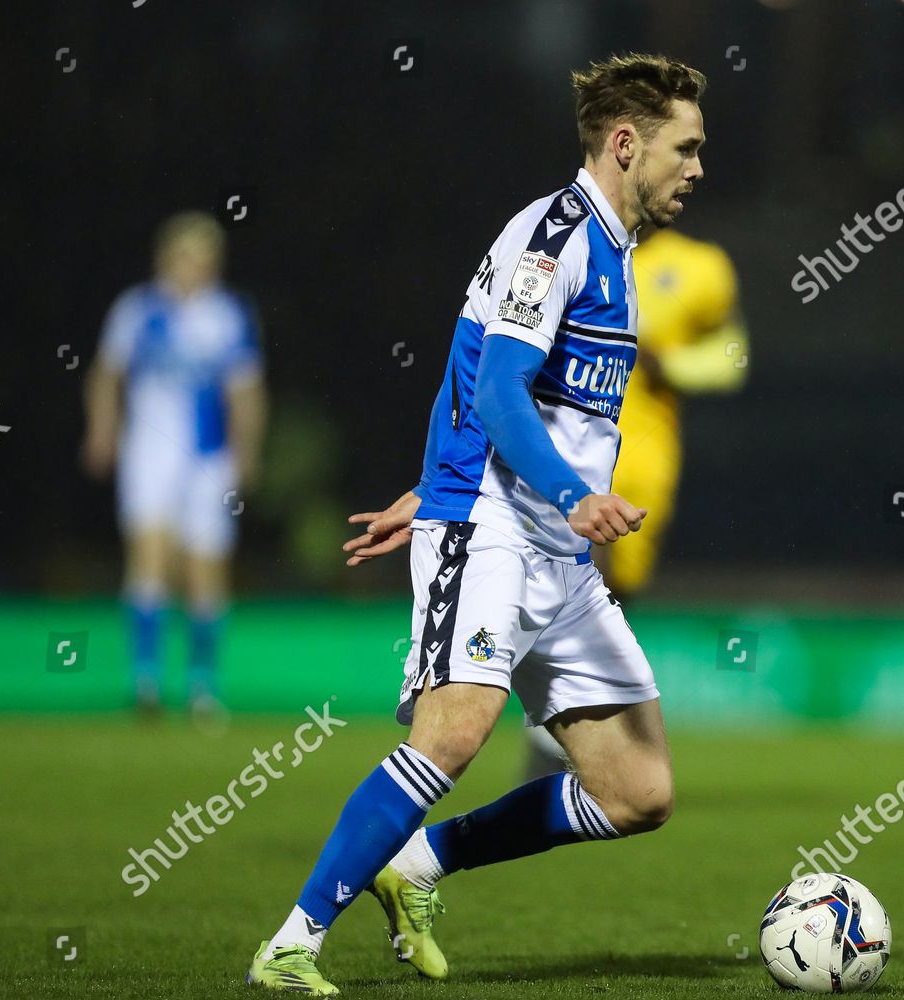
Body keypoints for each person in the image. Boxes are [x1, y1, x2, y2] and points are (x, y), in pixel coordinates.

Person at [244, 53, 707, 995]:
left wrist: (434, 488)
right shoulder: (555, 236)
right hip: (498, 531)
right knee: (455, 734)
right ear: (627, 144)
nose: (698, 168)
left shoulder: (615, 250)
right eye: (686, 149)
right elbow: (495, 386)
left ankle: (417, 864)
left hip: (557, 551)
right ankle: (289, 944)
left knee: (640, 793)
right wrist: (492, 499)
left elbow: (499, 386)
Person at [524, 224, 749, 777]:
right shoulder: (572, 249)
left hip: (647, 464)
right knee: (576, 583)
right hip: (571, 457)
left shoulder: (702, 266)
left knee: (616, 597)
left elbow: (732, 353)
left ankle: (567, 740)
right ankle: (553, 743)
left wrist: (668, 365)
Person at [81, 211, 266, 720]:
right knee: (149, 557)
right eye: (186, 256)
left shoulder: (226, 314)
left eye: (205, 257)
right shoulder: (137, 310)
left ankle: (203, 688)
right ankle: (146, 683)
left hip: (209, 459)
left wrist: (247, 451)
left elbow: (245, 391)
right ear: (167, 258)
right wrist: (102, 430)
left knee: (205, 567)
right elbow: (106, 374)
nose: (195, 267)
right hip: (149, 452)